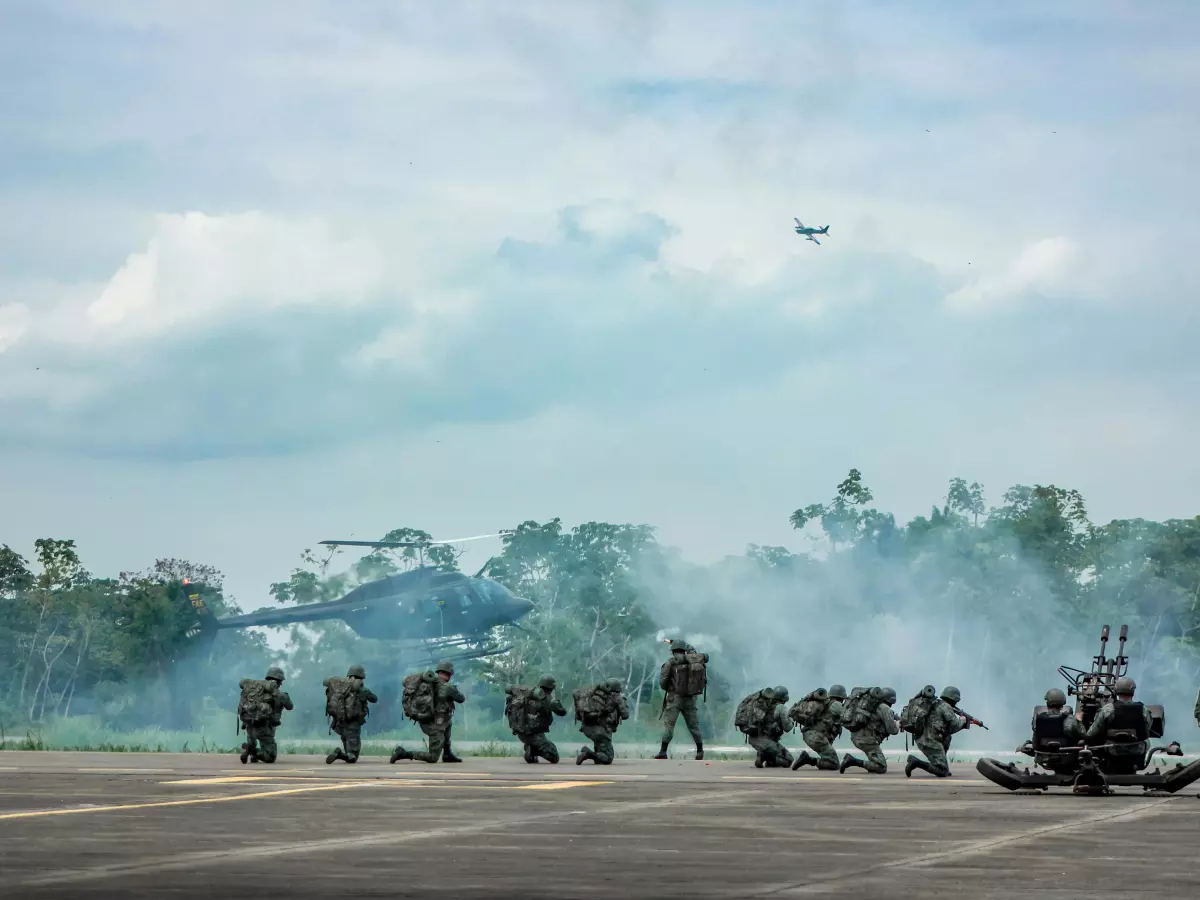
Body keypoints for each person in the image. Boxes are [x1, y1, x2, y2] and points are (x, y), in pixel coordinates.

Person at [390, 660, 466, 764]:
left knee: (448, 722)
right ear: (449, 673)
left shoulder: (427, 683)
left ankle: (447, 754)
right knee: (433, 757)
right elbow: (461, 699)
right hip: (435, 725)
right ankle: (404, 753)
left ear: (438, 671)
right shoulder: (447, 687)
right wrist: (454, 690)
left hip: (427, 719)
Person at [1086, 676, 1154, 773]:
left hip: (1112, 751)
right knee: (1147, 741)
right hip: (1137, 751)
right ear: (1133, 690)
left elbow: (1091, 734)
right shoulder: (1143, 709)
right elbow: (1147, 730)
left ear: (1116, 690)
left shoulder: (1107, 709)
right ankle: (1135, 765)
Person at [655, 639, 709, 760]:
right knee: (694, 726)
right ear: (684, 650)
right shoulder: (693, 661)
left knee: (669, 726)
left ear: (673, 651)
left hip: (674, 698)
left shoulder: (670, 663)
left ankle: (663, 752)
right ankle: (700, 751)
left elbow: (663, 683)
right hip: (690, 699)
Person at [905, 685, 969, 778]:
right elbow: (955, 725)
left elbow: (948, 730)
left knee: (947, 738)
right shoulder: (946, 707)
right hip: (931, 741)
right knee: (942, 771)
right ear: (954, 699)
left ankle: (941, 765)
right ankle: (916, 762)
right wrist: (963, 720)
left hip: (923, 739)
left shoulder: (935, 704)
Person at [324, 664, 378, 764]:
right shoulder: (362, 690)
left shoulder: (339, 687)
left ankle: (342, 754)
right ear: (361, 677)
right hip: (353, 725)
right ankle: (339, 754)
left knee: (349, 754)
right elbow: (374, 699)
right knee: (353, 757)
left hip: (339, 724)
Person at [508, 675, 569, 763]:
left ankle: (531, 750)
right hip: (535, 735)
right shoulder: (547, 699)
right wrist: (556, 700)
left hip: (520, 732)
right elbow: (562, 712)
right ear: (551, 687)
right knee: (554, 757)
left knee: (536, 747)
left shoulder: (526, 695)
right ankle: (533, 749)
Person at [239, 666, 292, 764]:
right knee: (270, 757)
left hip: (250, 725)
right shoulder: (281, 695)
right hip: (265, 729)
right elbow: (290, 707)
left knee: (254, 738)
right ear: (279, 681)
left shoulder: (254, 692)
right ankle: (253, 751)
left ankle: (251, 749)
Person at [839, 687, 899, 774]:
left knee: (875, 762)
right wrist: (897, 724)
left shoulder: (873, 706)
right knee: (881, 767)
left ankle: (869, 765)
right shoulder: (885, 708)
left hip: (857, 737)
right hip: (867, 740)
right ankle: (851, 761)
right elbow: (893, 730)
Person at [792, 684, 846, 771]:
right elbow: (847, 716)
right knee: (834, 764)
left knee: (829, 759)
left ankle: (807, 759)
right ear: (842, 697)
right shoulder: (836, 705)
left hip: (811, 735)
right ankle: (807, 759)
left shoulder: (826, 704)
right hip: (816, 736)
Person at [576, 679, 630, 765]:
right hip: (601, 731)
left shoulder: (595, 695)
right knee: (608, 758)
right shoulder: (616, 698)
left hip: (587, 728)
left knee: (600, 755)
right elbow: (625, 715)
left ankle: (595, 755)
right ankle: (587, 753)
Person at [748, 686, 794, 768]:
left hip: (753, 739)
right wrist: (792, 719)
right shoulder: (781, 707)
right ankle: (763, 756)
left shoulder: (764, 705)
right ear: (785, 698)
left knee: (773, 763)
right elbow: (788, 728)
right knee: (788, 760)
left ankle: (768, 757)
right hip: (766, 741)